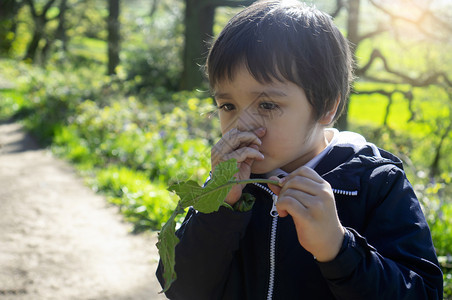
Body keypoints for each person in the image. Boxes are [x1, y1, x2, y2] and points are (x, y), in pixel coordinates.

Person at [156, 0, 444, 299]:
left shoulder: (376, 185)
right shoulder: (232, 187)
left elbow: (424, 292)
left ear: (327, 108)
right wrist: (219, 207)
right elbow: (179, 288)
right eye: (228, 105)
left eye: (267, 105)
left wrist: (338, 248)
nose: (242, 124)